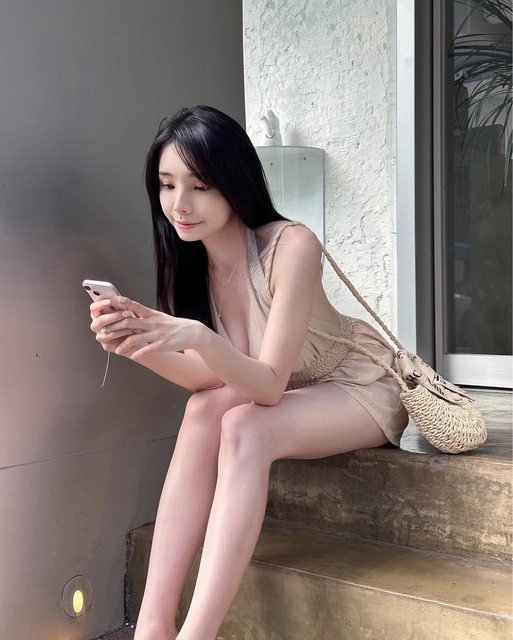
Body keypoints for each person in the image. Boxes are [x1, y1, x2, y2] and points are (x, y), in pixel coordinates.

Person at [88, 104, 409, 640]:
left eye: (199, 186)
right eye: (167, 185)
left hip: (357, 385)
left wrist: (197, 336)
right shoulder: (195, 260)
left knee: (244, 426)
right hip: (292, 393)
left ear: (234, 180)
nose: (179, 204)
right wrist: (135, 343)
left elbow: (267, 386)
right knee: (203, 409)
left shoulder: (292, 245)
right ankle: (153, 626)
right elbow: (212, 379)